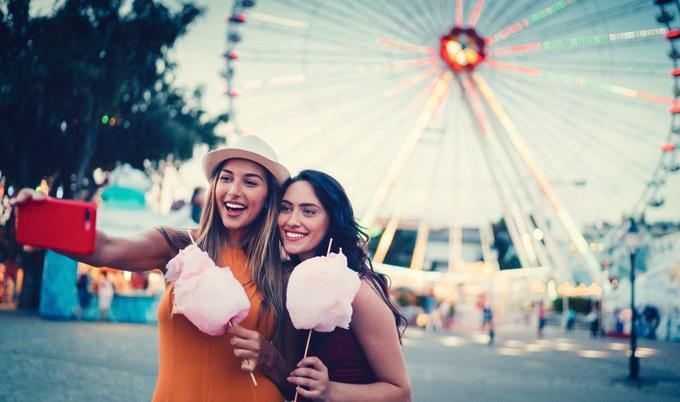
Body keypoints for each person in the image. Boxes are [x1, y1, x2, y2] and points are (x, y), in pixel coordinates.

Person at [13, 135, 297, 402]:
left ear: (268, 196)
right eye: (226, 178)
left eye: (250, 182)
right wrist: (45, 219)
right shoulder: (178, 245)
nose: (234, 191)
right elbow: (107, 247)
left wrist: (270, 356)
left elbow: (295, 385)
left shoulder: (281, 271)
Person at [278, 170, 412, 402]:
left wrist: (329, 389)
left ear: (332, 220)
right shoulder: (286, 281)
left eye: (308, 211)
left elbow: (401, 392)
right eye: (285, 208)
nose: (291, 220)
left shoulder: (358, 291)